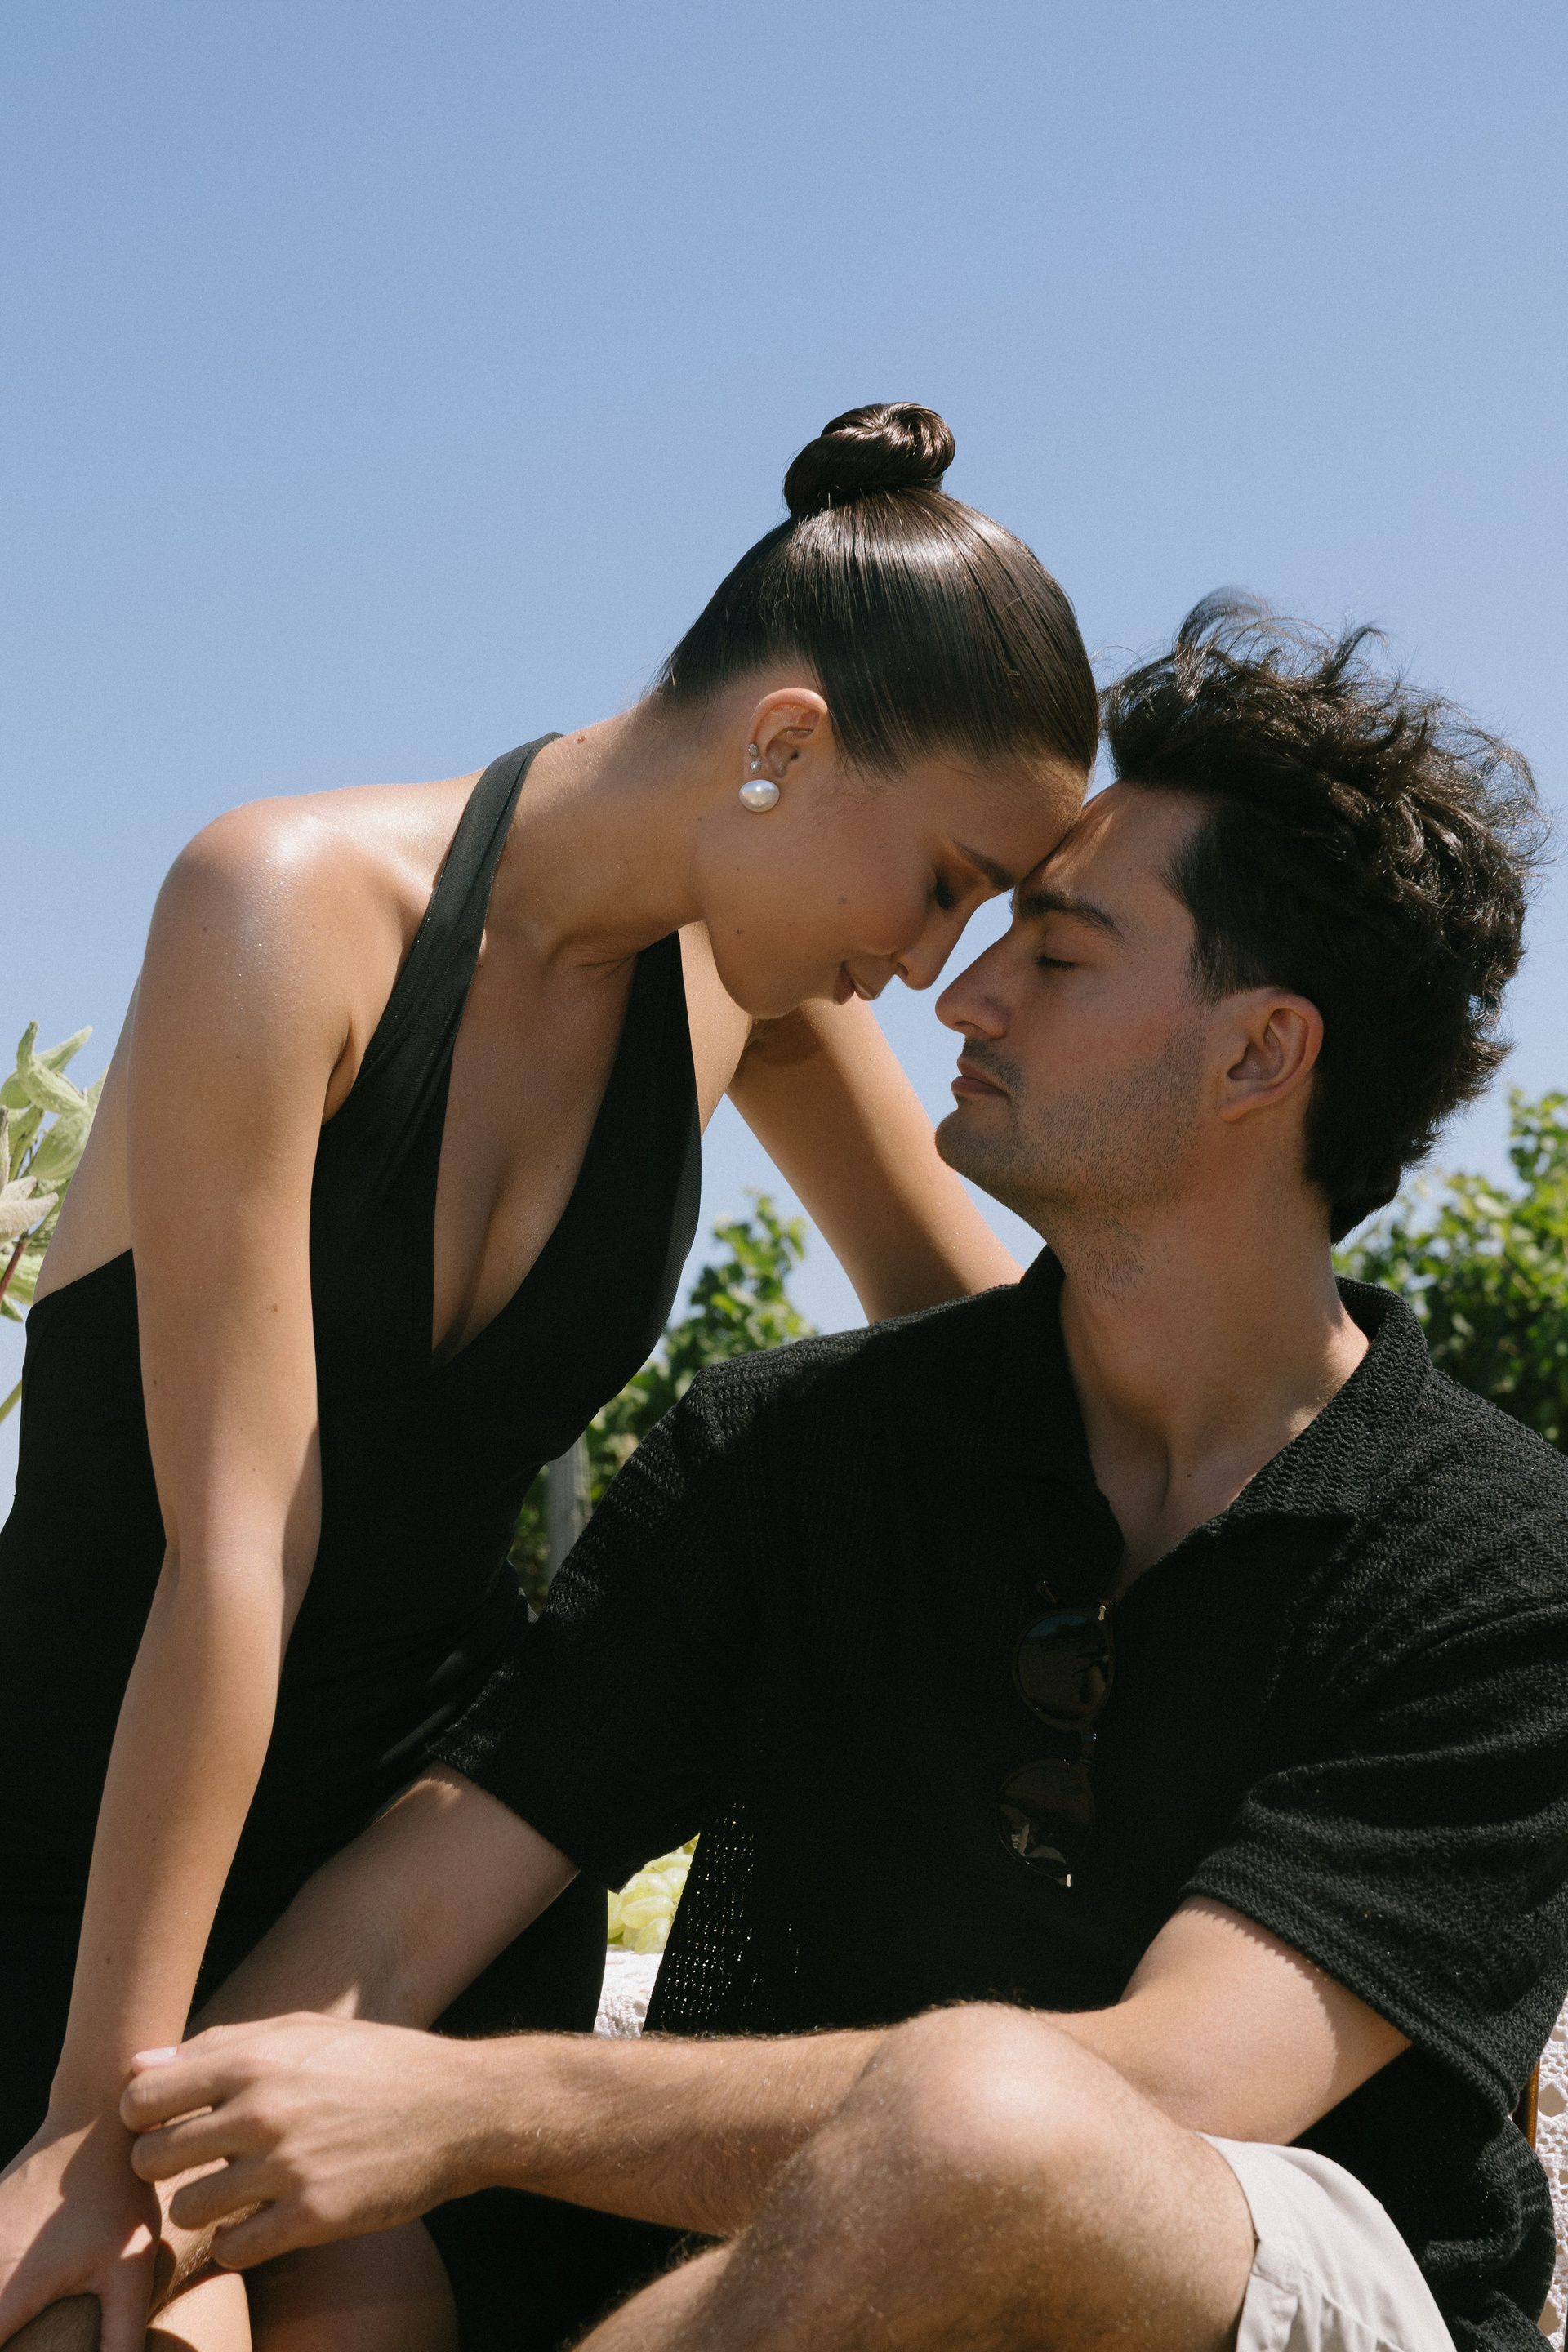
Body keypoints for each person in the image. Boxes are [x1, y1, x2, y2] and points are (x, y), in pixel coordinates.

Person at [114, 598, 1566, 2352]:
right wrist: (153, 2193)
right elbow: (402, 1919)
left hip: (1266, 2293)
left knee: (984, 2122)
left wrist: (470, 2111)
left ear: (1261, 1051)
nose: (964, 990)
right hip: (775, 2304)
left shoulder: (1500, 1562)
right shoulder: (793, 1453)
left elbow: (1176, 2085)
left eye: (1059, 953)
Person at [0, 404, 1102, 2352]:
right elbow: (233, 1556)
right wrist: (98, 2119)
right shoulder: (280, 906)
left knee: (382, 2312)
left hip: (424, 1851)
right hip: (93, 1829)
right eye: (946, 880)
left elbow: (995, 1337)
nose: (940, 962)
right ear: (784, 744)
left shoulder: (747, 1007)